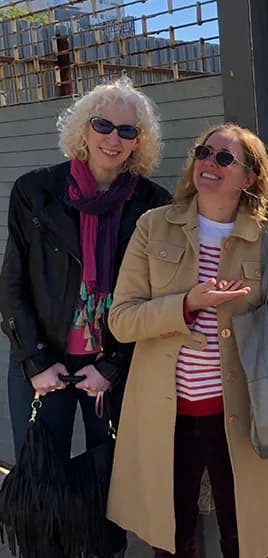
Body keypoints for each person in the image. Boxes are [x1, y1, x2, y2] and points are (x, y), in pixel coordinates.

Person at [105, 124, 268, 558]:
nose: (208, 163)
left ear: (250, 177)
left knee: (244, 534)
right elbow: (121, 321)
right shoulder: (153, 226)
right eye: (203, 152)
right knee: (172, 537)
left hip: (238, 412)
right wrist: (187, 304)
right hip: (164, 415)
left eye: (224, 158)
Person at [0, 77, 171, 557]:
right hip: (45, 364)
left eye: (127, 130)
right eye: (103, 125)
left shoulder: (151, 205)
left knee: (110, 482)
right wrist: (35, 361)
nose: (113, 139)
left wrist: (113, 365)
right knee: (42, 479)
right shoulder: (36, 191)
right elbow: (12, 284)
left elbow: (155, 297)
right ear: (84, 127)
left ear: (141, 140)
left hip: (111, 368)